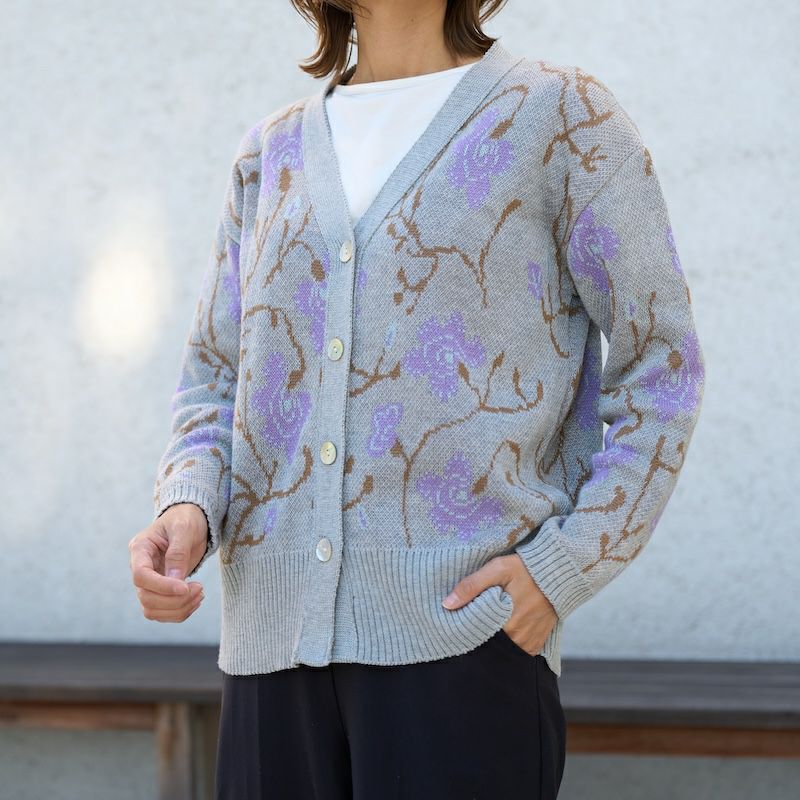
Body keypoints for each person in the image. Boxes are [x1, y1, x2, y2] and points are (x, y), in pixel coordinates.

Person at [128, 1, 706, 797]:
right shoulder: (271, 153)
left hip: (465, 649)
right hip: (270, 653)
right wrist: (188, 504)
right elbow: (216, 376)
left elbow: (663, 366)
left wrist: (564, 567)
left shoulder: (560, 117)